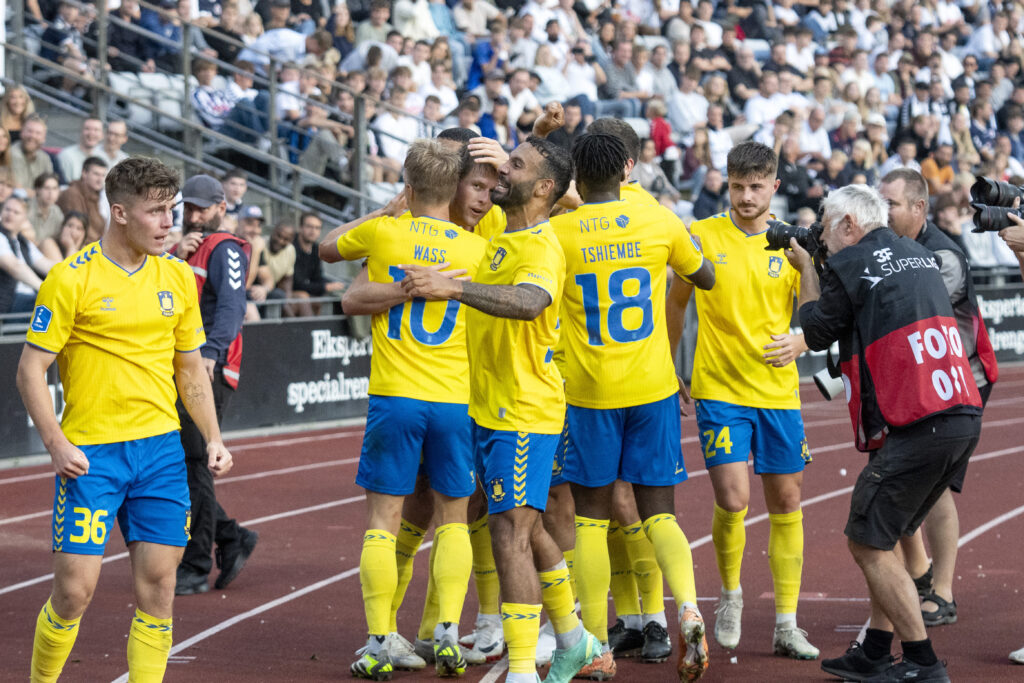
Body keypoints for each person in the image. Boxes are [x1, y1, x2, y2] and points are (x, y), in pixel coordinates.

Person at [16, 156, 232, 683]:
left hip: (160, 452)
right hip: (93, 456)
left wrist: (213, 437)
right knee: (73, 593)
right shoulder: (70, 279)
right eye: (156, 212)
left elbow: (190, 370)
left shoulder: (179, 278)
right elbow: (30, 369)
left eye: (172, 211)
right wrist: (56, 443)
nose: (169, 223)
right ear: (119, 213)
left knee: (159, 590)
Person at [399, 136, 604, 683]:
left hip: (522, 414)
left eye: (513, 166)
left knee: (509, 533)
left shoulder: (540, 245)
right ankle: (575, 639)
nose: (499, 171)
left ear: (541, 188)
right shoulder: (499, 236)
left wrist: (454, 289)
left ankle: (520, 670)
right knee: (527, 529)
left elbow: (532, 301)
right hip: (487, 411)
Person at [794, 184, 982, 683]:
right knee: (892, 533)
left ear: (850, 226)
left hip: (923, 423)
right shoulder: (920, 254)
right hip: (961, 413)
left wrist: (808, 272)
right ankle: (875, 650)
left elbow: (815, 330)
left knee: (866, 542)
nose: (824, 242)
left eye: (827, 231)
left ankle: (923, 663)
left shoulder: (850, 262)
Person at [550, 131, 716, 681]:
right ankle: (689, 607)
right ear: (627, 169)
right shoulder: (659, 219)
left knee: (592, 521)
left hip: (590, 392)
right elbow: (705, 276)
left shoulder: (559, 232)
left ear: (576, 176)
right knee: (660, 512)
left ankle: (594, 644)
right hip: (653, 387)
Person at [320, 139, 486, 680]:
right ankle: (445, 632)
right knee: (454, 518)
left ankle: (379, 639)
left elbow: (326, 248)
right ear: (456, 188)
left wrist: (386, 210)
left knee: (382, 520)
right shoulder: (472, 248)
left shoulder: (385, 232)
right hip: (454, 400)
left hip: (395, 396)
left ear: (408, 187)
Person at [668, 140, 821, 661]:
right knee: (733, 500)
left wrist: (803, 328)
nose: (746, 197)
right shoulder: (704, 235)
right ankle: (728, 595)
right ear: (727, 183)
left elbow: (816, 313)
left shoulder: (791, 242)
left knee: (787, 503)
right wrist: (671, 360)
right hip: (720, 389)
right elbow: (676, 298)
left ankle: (786, 621)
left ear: (774, 187)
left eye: (756, 187)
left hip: (779, 392)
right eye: (737, 187)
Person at [878, 169, 998, 629]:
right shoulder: (885, 247)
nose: (881, 212)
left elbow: (917, 316)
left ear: (918, 208)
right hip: (913, 378)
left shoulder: (943, 254)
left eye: (890, 204)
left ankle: (941, 592)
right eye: (879, 202)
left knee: (934, 483)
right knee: (899, 473)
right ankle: (920, 575)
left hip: (960, 377)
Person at [170, 174, 259, 596]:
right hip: (181, 367)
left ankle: (196, 562)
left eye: (201, 208)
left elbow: (232, 306)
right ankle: (229, 536)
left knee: (195, 462)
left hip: (206, 369)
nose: (192, 214)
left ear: (222, 208)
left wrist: (212, 353)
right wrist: (173, 255)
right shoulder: (185, 248)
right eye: (188, 207)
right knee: (180, 463)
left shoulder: (224, 248)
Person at [0, 196, 55, 313]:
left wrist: (75, 271)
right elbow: (14, 267)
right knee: (52, 304)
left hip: (28, 299)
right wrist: (45, 289)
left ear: (24, 219)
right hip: (9, 301)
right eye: (7, 210)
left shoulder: (23, 242)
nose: (10, 214)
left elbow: (47, 265)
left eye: (16, 212)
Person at [291, 211, 344, 316]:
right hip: (289, 291)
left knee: (340, 293)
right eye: (309, 227)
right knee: (304, 297)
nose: (313, 231)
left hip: (305, 289)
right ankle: (311, 330)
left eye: (317, 228)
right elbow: (296, 283)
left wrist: (332, 285)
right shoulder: (291, 247)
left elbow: (317, 276)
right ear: (300, 227)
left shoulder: (316, 249)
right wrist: (325, 287)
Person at [57, 156, 108, 243]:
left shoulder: (97, 196)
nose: (100, 180)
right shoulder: (72, 194)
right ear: (84, 173)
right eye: (96, 174)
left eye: (103, 175)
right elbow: (77, 230)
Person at [10, 116, 55, 193]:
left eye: (38, 133)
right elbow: (18, 191)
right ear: (22, 133)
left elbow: (50, 187)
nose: (33, 136)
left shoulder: (45, 158)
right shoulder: (10, 154)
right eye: (29, 131)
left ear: (43, 138)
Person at [56, 118, 103, 184]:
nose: (91, 133)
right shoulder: (66, 156)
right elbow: (64, 187)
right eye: (87, 129)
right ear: (80, 132)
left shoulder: (104, 156)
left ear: (102, 135)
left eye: (96, 130)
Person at [28, 173, 64, 243]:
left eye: (54, 188)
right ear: (37, 190)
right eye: (47, 188)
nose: (51, 193)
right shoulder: (27, 208)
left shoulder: (57, 211)